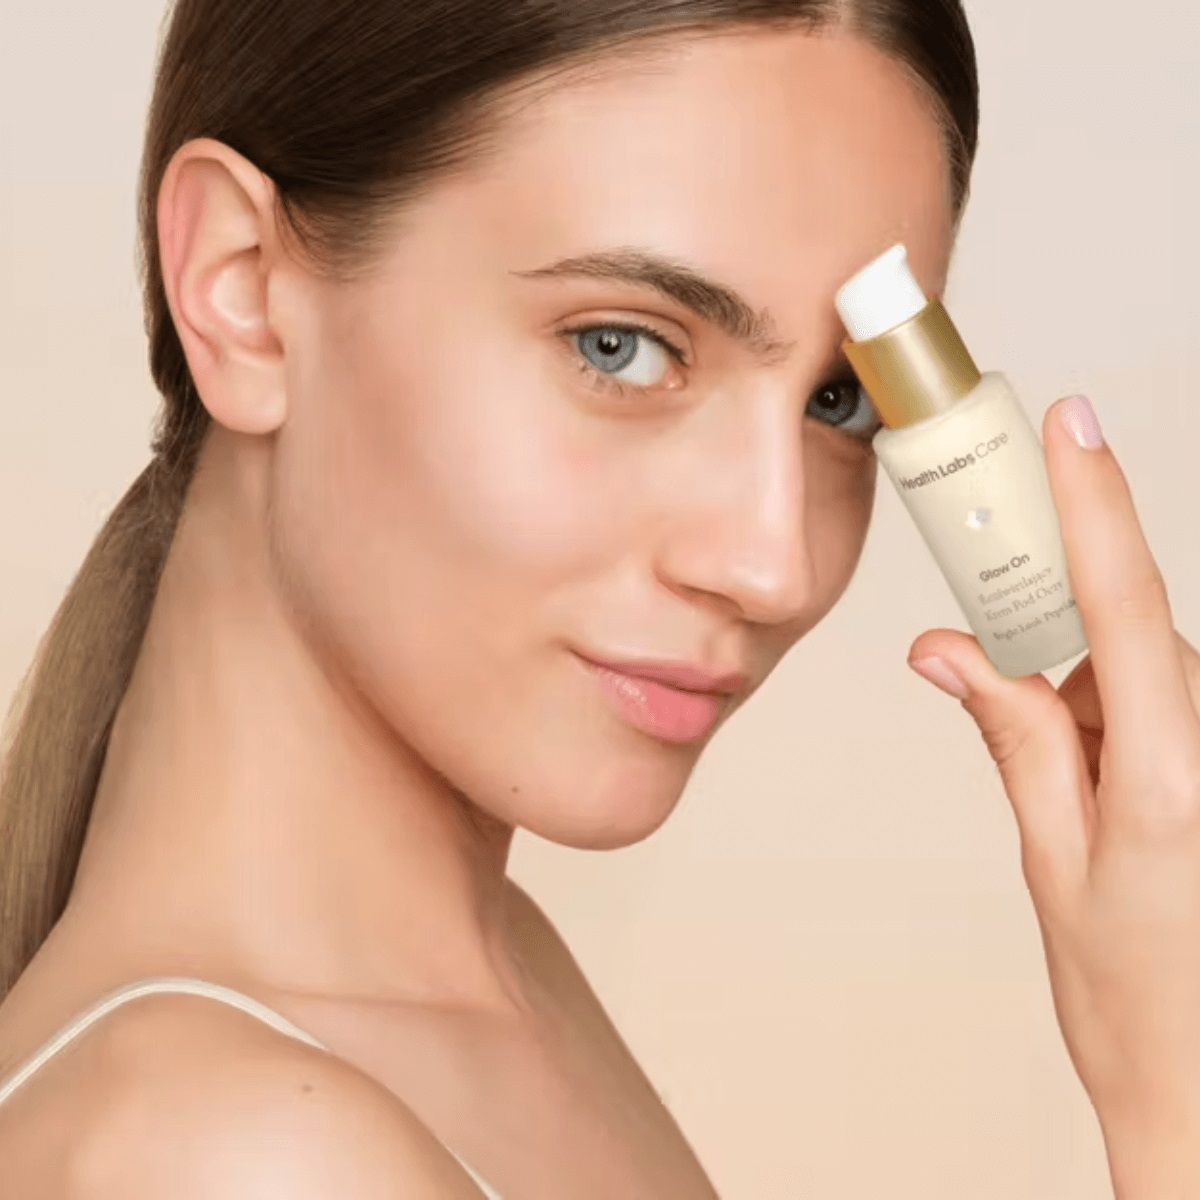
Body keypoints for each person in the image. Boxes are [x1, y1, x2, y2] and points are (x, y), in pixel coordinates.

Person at [0, 1, 1197, 1195]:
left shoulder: (490, 988)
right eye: (621, 346)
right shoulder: (239, 1157)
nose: (773, 565)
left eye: (844, 401)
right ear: (242, 288)